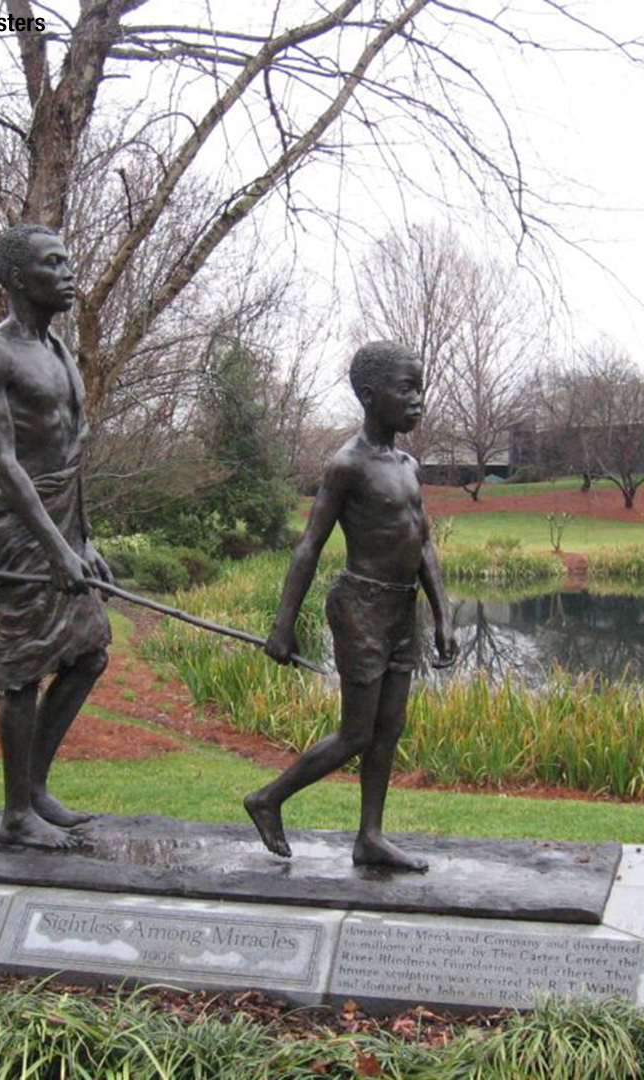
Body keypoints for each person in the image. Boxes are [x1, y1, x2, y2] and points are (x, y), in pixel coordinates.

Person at [244, 341, 457, 872]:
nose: (418, 400)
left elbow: (424, 542)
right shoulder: (347, 465)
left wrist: (443, 615)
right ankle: (268, 798)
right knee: (357, 732)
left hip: (402, 609)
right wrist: (283, 625)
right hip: (360, 607)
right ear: (369, 395)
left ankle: (370, 837)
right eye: (406, 389)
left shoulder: (408, 464)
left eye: (420, 388)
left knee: (389, 729)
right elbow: (309, 545)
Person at [0, 224, 113, 850]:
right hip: (16, 527)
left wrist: (84, 540)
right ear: (20, 278)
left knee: (89, 653)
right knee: (24, 670)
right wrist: (55, 548)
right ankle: (14, 815)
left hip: (61, 522)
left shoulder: (60, 352)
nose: (69, 271)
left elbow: (67, 460)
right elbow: (5, 462)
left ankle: (35, 788)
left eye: (69, 260)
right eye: (54, 264)